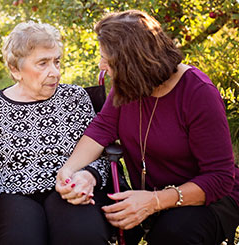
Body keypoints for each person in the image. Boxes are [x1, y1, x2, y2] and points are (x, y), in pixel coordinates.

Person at [56, 9, 239, 245]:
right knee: (84, 216)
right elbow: (102, 129)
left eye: (107, 59)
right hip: (147, 193)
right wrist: (68, 171)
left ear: (134, 62)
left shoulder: (198, 93)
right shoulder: (129, 85)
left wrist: (154, 201)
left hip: (207, 200)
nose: (102, 66)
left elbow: (220, 178)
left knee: (172, 234)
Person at [0, 21, 111, 245]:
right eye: (43, 63)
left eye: (57, 62)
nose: (55, 72)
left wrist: (88, 176)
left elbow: (101, 153)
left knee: (83, 236)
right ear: (15, 69)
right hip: (10, 195)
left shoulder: (75, 98)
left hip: (69, 189)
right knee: (19, 238)